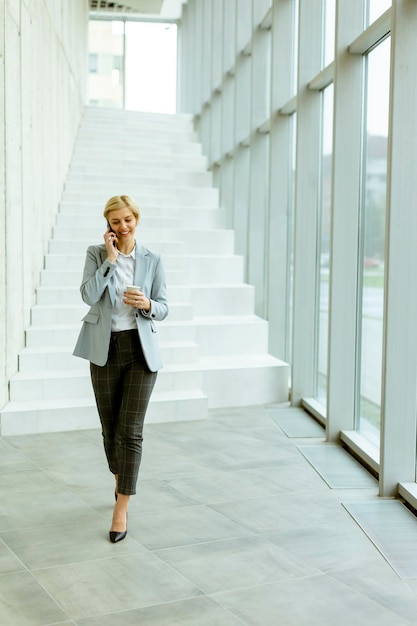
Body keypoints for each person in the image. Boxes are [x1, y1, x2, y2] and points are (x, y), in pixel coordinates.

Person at [73, 195, 168, 543]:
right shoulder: (96, 255)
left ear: (136, 219)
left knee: (130, 430)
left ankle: (121, 508)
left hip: (140, 351)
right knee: (110, 428)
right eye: (115, 222)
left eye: (127, 219)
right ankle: (120, 480)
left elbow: (164, 307)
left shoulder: (152, 259)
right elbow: (88, 294)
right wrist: (110, 260)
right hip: (104, 349)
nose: (123, 226)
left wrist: (147, 305)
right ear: (108, 226)